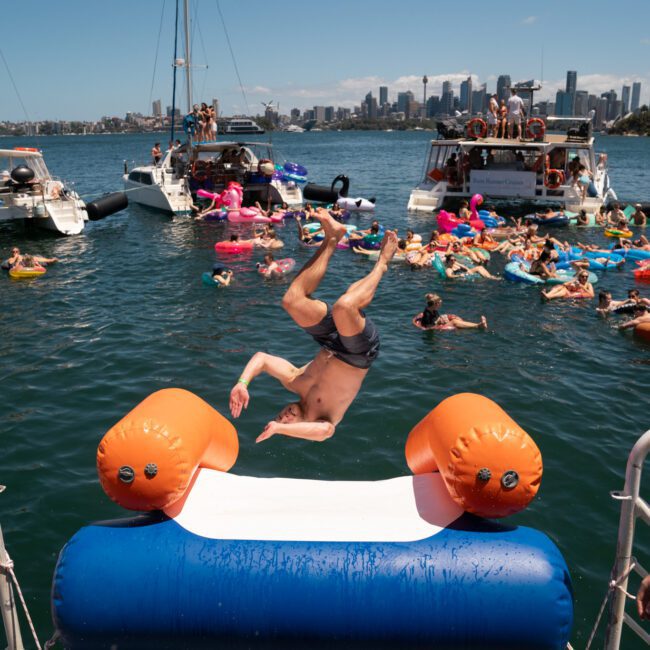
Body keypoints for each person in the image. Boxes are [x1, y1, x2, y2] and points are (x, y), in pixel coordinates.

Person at [229, 208, 398, 443]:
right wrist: (278, 428)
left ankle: (333, 237)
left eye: (280, 415)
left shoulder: (294, 381)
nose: (285, 415)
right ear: (298, 427)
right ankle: (382, 263)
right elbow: (325, 433)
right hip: (357, 353)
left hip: (331, 343)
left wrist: (242, 383)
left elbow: (262, 359)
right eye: (287, 421)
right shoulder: (323, 420)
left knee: (292, 301)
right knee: (344, 306)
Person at [413, 293, 487, 330]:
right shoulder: (427, 314)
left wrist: (441, 319)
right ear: (435, 304)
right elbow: (429, 327)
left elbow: (436, 318)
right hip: (434, 328)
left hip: (437, 324)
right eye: (440, 303)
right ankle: (478, 325)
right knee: (454, 322)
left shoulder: (433, 309)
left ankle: (466, 325)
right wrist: (438, 321)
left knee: (454, 317)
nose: (441, 304)